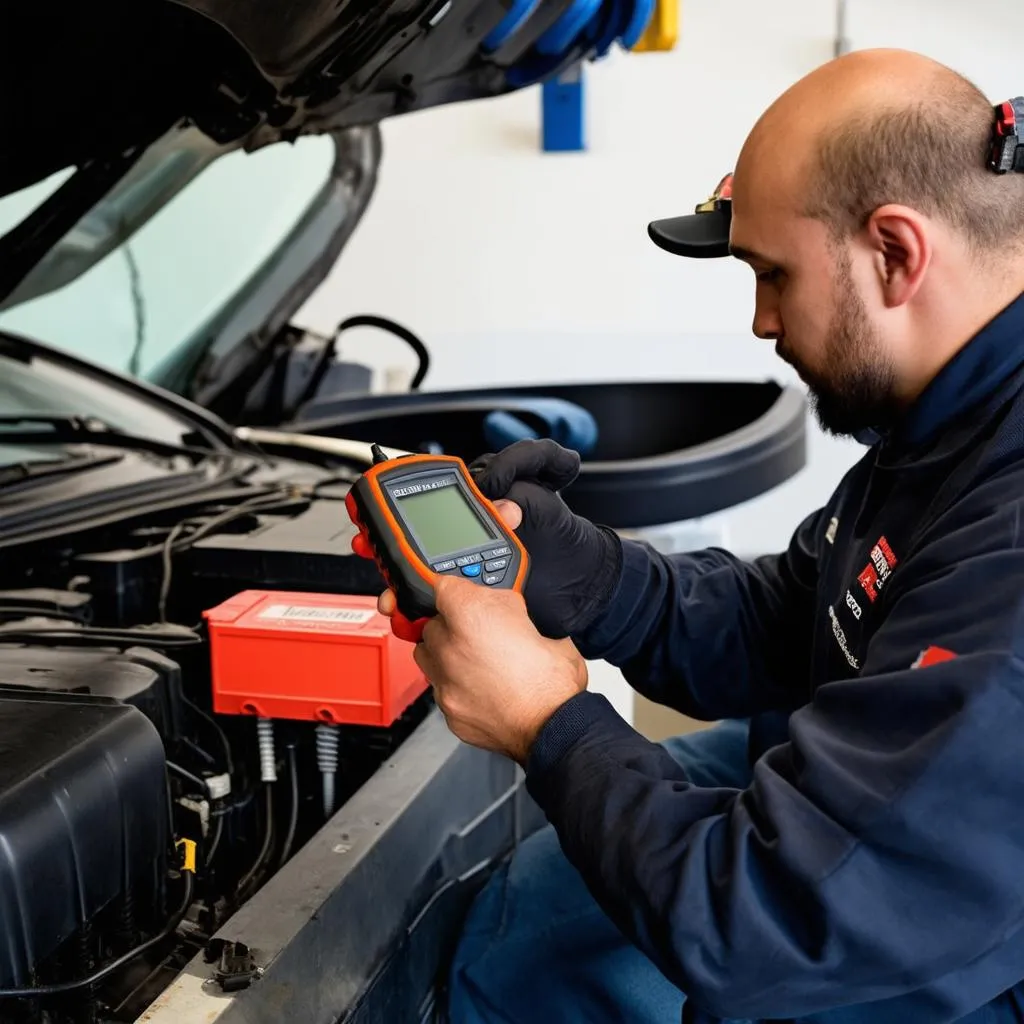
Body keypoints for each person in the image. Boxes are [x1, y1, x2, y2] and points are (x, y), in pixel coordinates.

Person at [369, 48, 1024, 1022]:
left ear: (895, 252)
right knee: (512, 933)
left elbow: (764, 919)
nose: (760, 319)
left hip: (919, 952)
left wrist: (547, 720)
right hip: (850, 827)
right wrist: (595, 578)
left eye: (771, 273)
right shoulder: (953, 415)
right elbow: (795, 617)